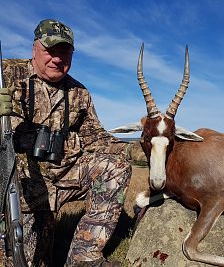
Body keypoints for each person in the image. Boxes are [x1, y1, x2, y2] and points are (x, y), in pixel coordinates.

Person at [0, 19, 132, 267]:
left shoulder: (79, 92)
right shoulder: (5, 74)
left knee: (115, 167)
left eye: (65, 52)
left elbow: (96, 138)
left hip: (65, 176)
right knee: (29, 260)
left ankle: (85, 258)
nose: (57, 59)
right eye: (51, 50)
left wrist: (139, 147)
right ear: (34, 48)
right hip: (23, 188)